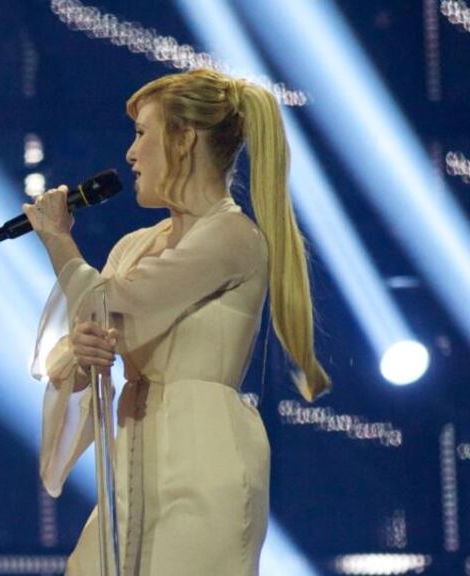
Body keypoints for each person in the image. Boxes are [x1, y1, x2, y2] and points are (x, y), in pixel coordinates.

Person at [23, 68, 331, 575]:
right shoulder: (134, 246)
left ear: (184, 140)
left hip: (203, 458)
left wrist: (59, 240)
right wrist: (83, 353)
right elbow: (101, 317)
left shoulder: (232, 237)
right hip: (134, 455)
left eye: (142, 133)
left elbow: (115, 298)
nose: (130, 153)